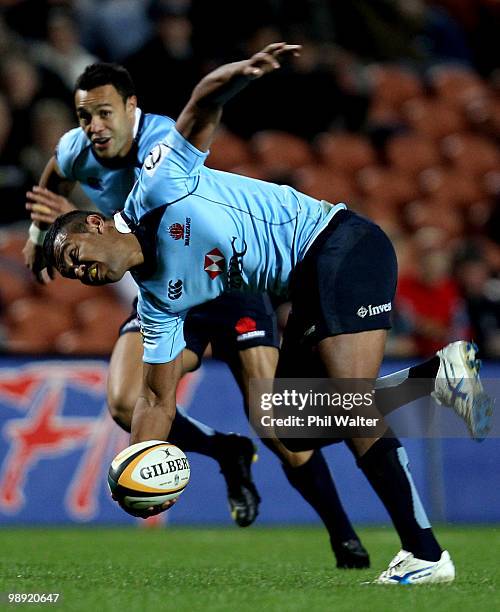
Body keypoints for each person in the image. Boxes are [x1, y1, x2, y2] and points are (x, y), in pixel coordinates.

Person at [42, 43, 494, 584]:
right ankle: (434, 380)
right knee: (291, 424)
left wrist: (238, 73)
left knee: (350, 404)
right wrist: (134, 466)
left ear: (94, 226)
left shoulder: (157, 186)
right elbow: (156, 397)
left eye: (75, 258)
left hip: (337, 245)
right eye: (70, 274)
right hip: (306, 284)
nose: (81, 273)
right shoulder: (158, 297)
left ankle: (425, 554)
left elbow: (199, 110)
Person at [22, 61, 370, 568]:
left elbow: (195, 127)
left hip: (217, 277)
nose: (93, 126)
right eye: (83, 116)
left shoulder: (160, 142)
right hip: (162, 292)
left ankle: (343, 535)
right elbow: (55, 169)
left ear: (130, 109)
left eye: (103, 113)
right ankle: (225, 452)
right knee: (125, 402)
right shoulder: (77, 148)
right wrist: (40, 237)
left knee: (275, 423)